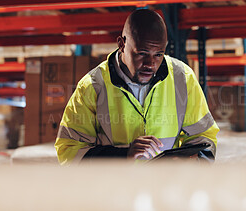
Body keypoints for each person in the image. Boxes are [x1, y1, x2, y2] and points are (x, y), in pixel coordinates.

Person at [54, 9, 219, 165]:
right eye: (141, 53)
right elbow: (69, 150)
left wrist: (191, 165)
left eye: (158, 54)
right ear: (122, 44)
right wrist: (123, 155)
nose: (150, 64)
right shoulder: (92, 86)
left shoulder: (182, 79)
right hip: (117, 188)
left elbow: (204, 137)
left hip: (164, 187)